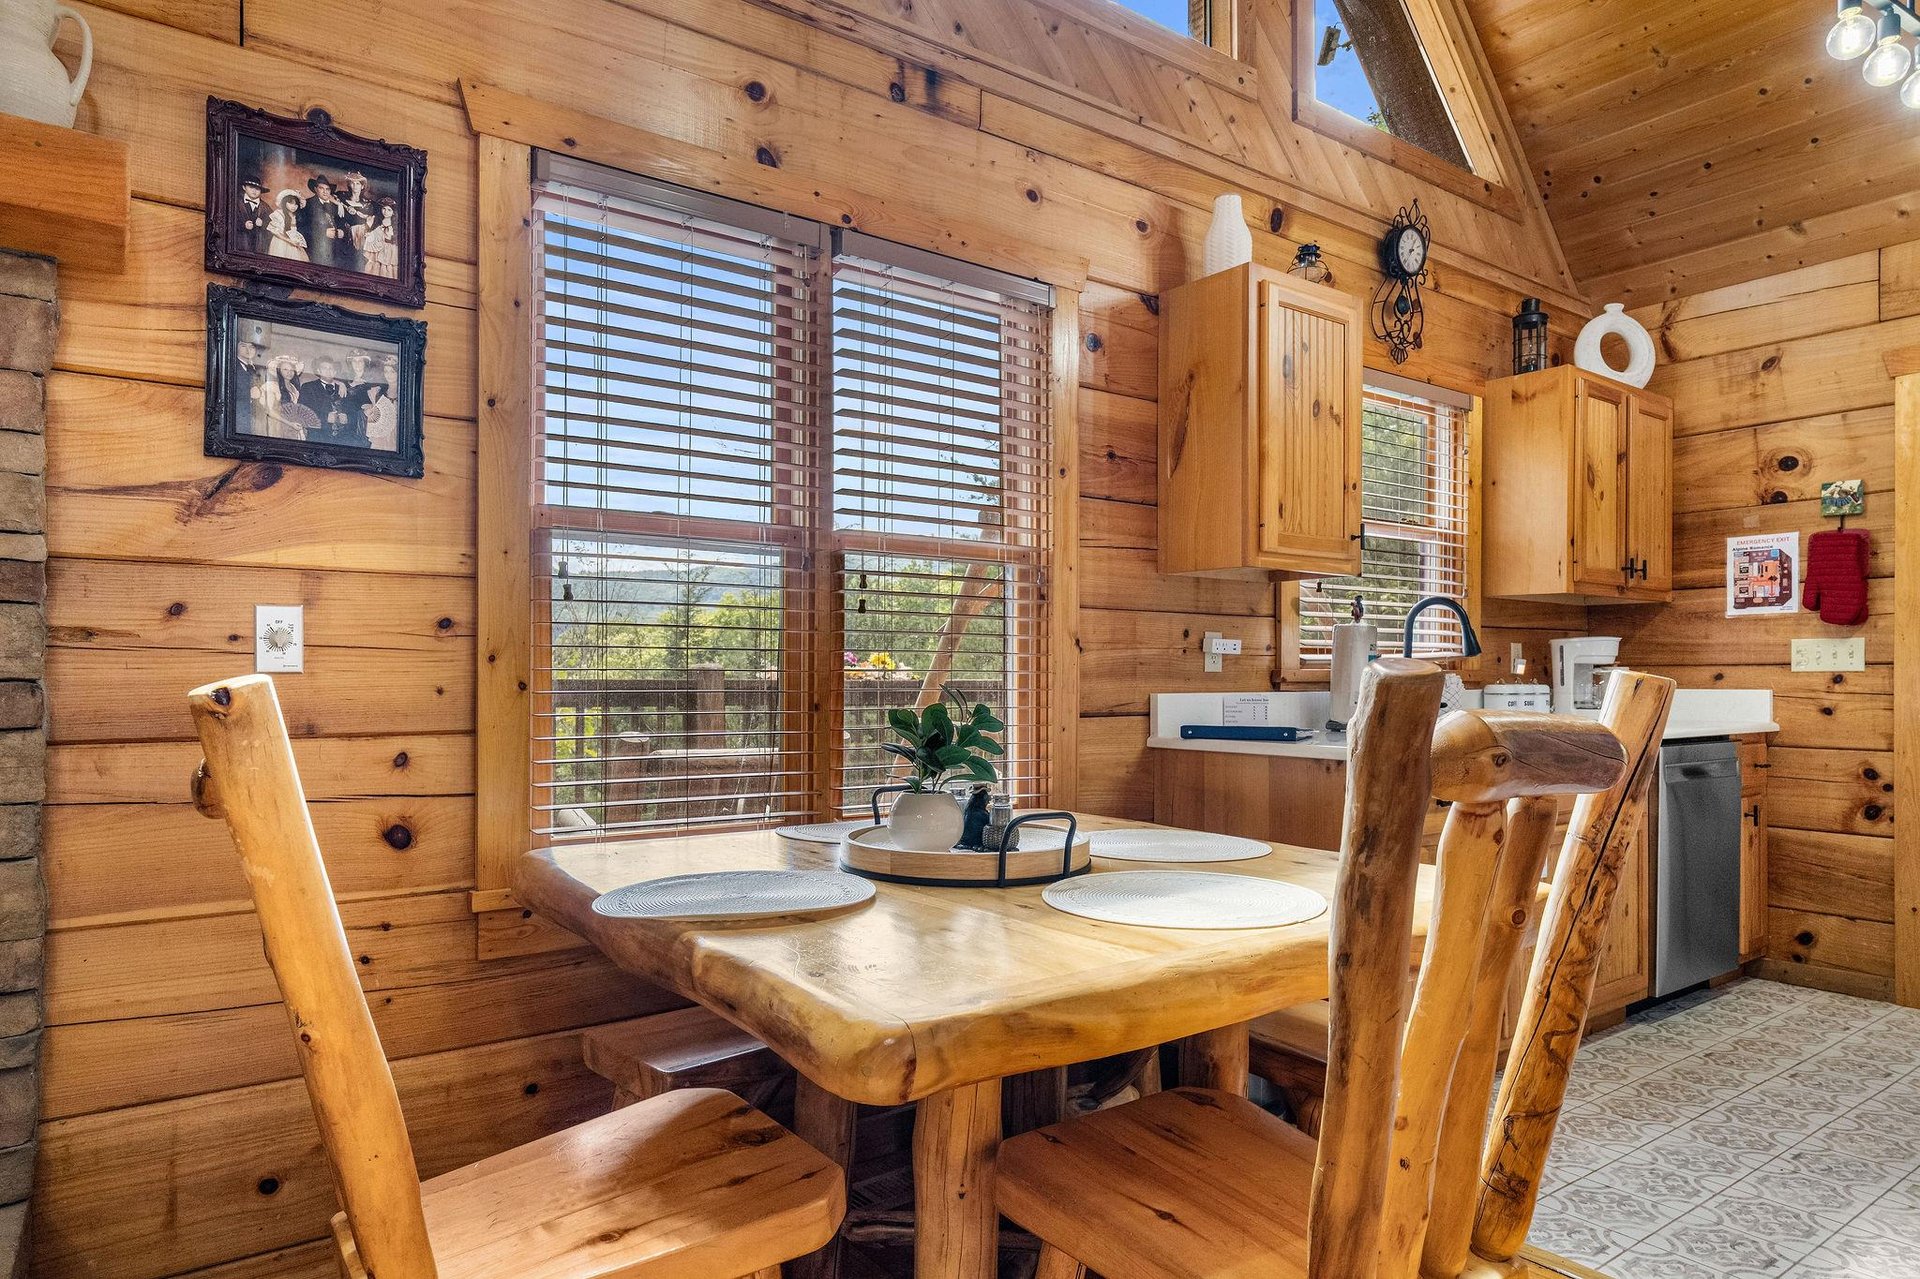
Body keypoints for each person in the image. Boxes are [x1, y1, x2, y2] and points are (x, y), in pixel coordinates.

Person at [300, 176, 350, 270]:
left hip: (337, 251)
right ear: (315, 189)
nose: (325, 191)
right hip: (316, 250)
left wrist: (343, 232)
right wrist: (323, 233)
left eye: (327, 189)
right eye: (321, 188)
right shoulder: (307, 204)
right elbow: (302, 228)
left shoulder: (337, 206)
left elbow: (344, 225)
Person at [264, 356, 319, 441]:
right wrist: (289, 423)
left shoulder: (294, 388)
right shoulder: (273, 386)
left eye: (291, 370)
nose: (289, 373)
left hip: (295, 426)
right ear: (279, 371)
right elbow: (269, 411)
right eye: (285, 369)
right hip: (280, 426)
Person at [298, 357, 352, 442]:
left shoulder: (343, 388)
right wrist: (325, 418)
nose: (328, 371)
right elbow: (302, 412)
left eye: (331, 368)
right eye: (324, 368)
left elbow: (352, 410)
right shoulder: (308, 387)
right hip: (318, 437)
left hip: (342, 439)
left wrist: (348, 418)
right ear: (318, 371)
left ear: (335, 372)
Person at [360, 198, 399, 279]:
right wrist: (370, 234)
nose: (386, 212)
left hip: (389, 248)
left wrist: (388, 235)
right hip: (378, 246)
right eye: (384, 209)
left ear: (393, 213)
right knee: (375, 265)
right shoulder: (378, 221)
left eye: (389, 210)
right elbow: (374, 232)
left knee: (386, 266)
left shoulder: (394, 224)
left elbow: (392, 237)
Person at [266, 191, 308, 261]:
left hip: (295, 243)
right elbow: (274, 232)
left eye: (296, 204)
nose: (293, 207)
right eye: (291, 203)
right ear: (285, 202)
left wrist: (296, 241)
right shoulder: (279, 214)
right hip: (281, 242)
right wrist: (289, 241)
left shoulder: (297, 216)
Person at [236, 177, 272, 255]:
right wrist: (243, 225)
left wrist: (263, 224)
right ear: (244, 187)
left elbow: (273, 225)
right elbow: (227, 221)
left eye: (257, 189)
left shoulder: (266, 207)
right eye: (251, 187)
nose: (254, 191)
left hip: (259, 246)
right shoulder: (235, 202)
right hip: (240, 244)